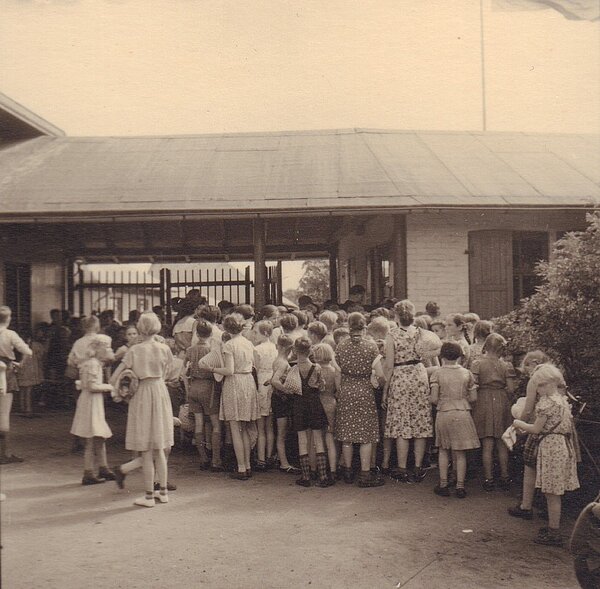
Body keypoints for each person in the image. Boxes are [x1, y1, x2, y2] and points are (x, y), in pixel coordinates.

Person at [111, 312, 175, 507]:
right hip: (160, 391)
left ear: (140, 328)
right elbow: (169, 371)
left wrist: (122, 388)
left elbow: (115, 376)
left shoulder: (134, 350)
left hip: (143, 394)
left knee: (146, 450)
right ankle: (162, 492)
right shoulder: (165, 348)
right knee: (160, 448)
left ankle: (148, 496)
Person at [512, 364, 579, 547]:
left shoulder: (546, 404)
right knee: (554, 491)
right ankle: (553, 527)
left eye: (541, 385)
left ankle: (554, 531)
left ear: (551, 383)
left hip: (551, 448)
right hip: (562, 446)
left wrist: (519, 423)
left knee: (551, 492)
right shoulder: (561, 400)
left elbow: (535, 429)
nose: (539, 390)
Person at [383, 300, 441, 483]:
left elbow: (390, 365)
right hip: (418, 375)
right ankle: (417, 466)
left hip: (400, 376)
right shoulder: (420, 333)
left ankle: (401, 467)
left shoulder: (392, 335)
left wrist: (385, 388)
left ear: (396, 315)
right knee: (419, 422)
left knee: (402, 423)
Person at [335, 313, 383, 487]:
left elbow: (338, 372)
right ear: (364, 327)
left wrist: (339, 391)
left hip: (346, 390)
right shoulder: (371, 347)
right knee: (366, 436)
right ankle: (365, 474)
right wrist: (380, 386)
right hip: (364, 391)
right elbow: (379, 374)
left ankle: (347, 472)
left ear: (349, 327)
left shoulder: (341, 346)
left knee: (347, 435)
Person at [211, 313, 259, 480]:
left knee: (235, 428)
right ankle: (247, 465)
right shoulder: (248, 343)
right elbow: (255, 365)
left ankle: (240, 468)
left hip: (234, 382)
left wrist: (213, 369)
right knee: (245, 427)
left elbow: (229, 370)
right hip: (248, 381)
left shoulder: (229, 345)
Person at [430, 342, 480, 499]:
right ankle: (460, 486)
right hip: (462, 412)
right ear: (459, 356)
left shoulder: (437, 373)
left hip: (444, 412)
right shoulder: (467, 373)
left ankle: (443, 483)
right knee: (460, 453)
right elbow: (473, 397)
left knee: (444, 449)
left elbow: (433, 398)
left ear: (442, 356)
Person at [471, 333, 517, 491]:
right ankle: (505, 476)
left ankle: (488, 478)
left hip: (483, 400)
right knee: (502, 443)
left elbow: (473, 385)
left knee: (487, 443)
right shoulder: (507, 366)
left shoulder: (477, 364)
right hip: (501, 401)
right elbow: (511, 389)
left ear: (486, 347)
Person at [285, 337, 332, 488]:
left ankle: (305, 476)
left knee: (302, 440)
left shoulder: (292, 368)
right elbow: (322, 387)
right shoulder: (316, 368)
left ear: (294, 351)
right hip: (314, 404)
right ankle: (323, 475)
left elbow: (288, 387)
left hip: (299, 405)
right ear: (310, 350)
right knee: (318, 439)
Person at [70, 335, 116, 485]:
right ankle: (88, 472)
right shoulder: (92, 364)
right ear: (98, 349)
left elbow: (82, 383)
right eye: (107, 347)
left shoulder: (93, 363)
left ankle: (103, 467)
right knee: (91, 437)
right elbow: (92, 386)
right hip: (90, 403)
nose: (109, 350)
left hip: (93, 402)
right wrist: (110, 387)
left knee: (99, 436)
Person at [184, 320, 222, 470]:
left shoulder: (190, 350)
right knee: (215, 424)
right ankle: (216, 460)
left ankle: (203, 458)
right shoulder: (211, 351)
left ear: (197, 333)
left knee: (198, 424)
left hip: (194, 386)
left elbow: (184, 371)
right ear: (211, 334)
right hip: (208, 387)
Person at [0, 306, 32, 463]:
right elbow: (28, 351)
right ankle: (4, 453)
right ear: (8, 318)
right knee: (4, 413)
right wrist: (19, 364)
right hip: (6, 373)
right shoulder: (10, 334)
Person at [270, 334, 299, 474]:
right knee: (282, 433)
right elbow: (275, 380)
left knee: (282, 431)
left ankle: (282, 459)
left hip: (278, 399)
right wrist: (287, 390)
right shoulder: (282, 362)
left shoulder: (278, 360)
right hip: (281, 400)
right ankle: (284, 463)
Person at [253, 320, 277, 471]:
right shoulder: (275, 348)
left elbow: (255, 369)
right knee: (270, 425)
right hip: (272, 381)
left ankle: (261, 458)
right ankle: (269, 456)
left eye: (256, 332)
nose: (254, 335)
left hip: (261, 382)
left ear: (265, 333)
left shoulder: (257, 349)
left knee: (261, 426)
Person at [312, 343, 338, 482]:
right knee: (330, 439)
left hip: (318, 403)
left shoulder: (315, 370)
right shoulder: (334, 371)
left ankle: (316, 468)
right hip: (331, 402)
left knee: (316, 440)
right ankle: (333, 470)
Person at [16, 329, 45, 417]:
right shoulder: (36, 345)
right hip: (31, 370)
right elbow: (41, 356)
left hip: (22, 370)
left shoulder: (19, 346)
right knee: (28, 390)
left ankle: (22, 408)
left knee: (22, 390)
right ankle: (28, 409)